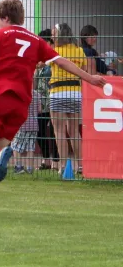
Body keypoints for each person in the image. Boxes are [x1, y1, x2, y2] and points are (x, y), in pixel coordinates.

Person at [0, 0, 106, 216]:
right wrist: (90, 78)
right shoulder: (36, 40)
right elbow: (62, 62)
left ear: (5, 18)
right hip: (21, 103)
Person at [49, 23, 87, 175]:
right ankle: (81, 165)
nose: (52, 36)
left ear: (58, 35)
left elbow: (39, 65)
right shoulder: (79, 51)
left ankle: (63, 166)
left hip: (57, 91)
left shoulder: (54, 51)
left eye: (53, 33)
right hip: (75, 92)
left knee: (59, 131)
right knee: (74, 132)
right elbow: (84, 71)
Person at [35, 29, 60, 171]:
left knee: (56, 129)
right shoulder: (39, 58)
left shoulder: (54, 56)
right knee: (40, 130)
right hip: (40, 101)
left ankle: (56, 161)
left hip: (53, 98)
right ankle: (46, 160)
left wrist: (45, 64)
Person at [12, 89, 41, 175]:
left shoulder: (20, 93)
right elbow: (40, 110)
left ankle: (18, 167)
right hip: (34, 124)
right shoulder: (37, 94)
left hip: (23, 123)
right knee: (30, 147)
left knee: (15, 145)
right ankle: (30, 168)